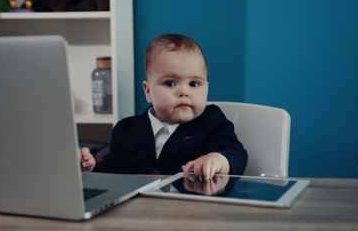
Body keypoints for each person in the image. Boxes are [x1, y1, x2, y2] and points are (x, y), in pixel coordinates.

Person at [80, 33, 248, 179]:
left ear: (207, 88)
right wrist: (92, 167)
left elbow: (235, 152)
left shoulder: (211, 120)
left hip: (193, 208)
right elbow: (114, 172)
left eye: (194, 84)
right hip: (137, 210)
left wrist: (218, 160)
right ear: (148, 91)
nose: (184, 92)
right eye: (170, 83)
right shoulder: (125, 130)